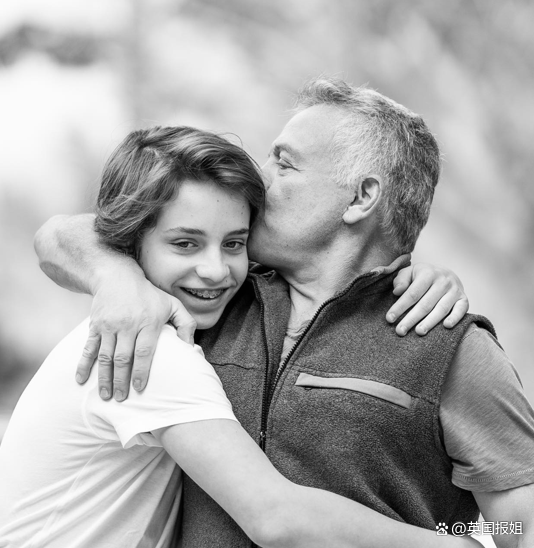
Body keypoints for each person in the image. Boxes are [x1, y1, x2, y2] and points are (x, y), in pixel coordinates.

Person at [34, 78, 534, 547]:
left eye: (284, 163)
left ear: (361, 197)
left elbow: (519, 525)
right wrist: (114, 275)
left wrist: (458, 535)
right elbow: (59, 237)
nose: (259, 178)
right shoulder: (209, 295)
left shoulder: (452, 346)